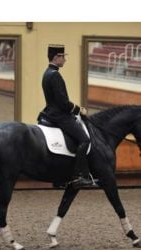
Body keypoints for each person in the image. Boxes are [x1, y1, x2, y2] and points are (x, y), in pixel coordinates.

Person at [37, 44, 93, 189]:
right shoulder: (55, 75)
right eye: (63, 57)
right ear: (57, 57)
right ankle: (79, 175)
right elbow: (63, 102)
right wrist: (79, 110)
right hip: (59, 116)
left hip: (50, 112)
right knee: (85, 140)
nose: (65, 60)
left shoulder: (46, 72)